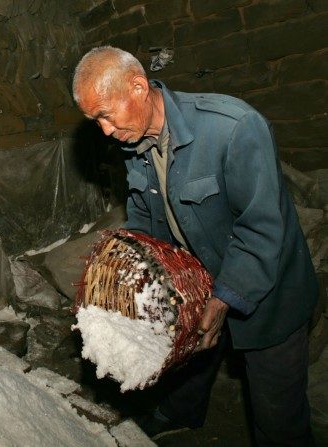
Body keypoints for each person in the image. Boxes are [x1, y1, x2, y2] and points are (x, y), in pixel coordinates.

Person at [72, 46, 318, 446]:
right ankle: (180, 411)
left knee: (278, 415)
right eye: (93, 120)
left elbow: (262, 229)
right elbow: (146, 218)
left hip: (267, 283)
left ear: (138, 87)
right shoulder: (134, 144)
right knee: (190, 355)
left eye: (105, 114)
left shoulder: (233, 127)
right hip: (196, 279)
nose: (104, 131)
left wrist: (222, 300)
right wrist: (141, 279)